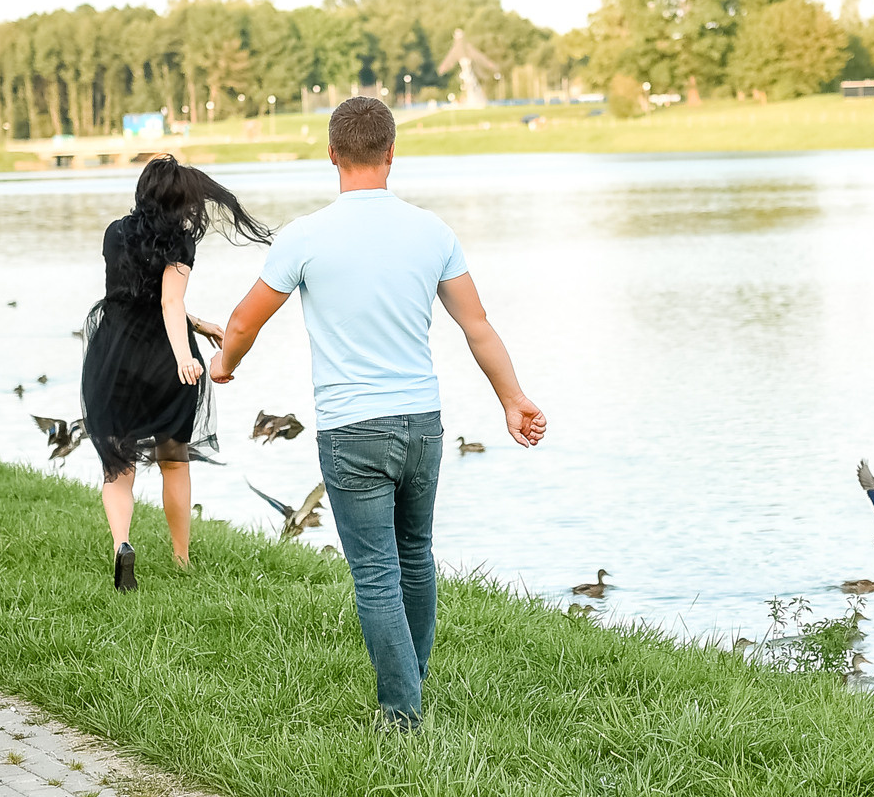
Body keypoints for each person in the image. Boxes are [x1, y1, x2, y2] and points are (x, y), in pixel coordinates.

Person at [211, 97, 545, 730]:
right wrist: (513, 400)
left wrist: (226, 364)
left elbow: (242, 322)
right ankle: (409, 688)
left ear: (332, 154)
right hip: (422, 424)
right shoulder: (432, 232)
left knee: (375, 573)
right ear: (392, 152)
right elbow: (477, 327)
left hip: (352, 430)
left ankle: (401, 713)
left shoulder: (305, 236)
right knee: (414, 555)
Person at [81, 155, 273, 591]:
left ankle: (121, 547)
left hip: (114, 357)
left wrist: (197, 322)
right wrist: (185, 355)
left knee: (118, 465)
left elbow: (136, 297)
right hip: (165, 363)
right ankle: (182, 559)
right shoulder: (181, 242)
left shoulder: (114, 233)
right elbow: (167, 302)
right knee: (175, 462)